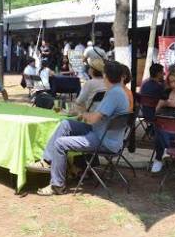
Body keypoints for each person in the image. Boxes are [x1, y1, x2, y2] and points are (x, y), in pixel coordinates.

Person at [28, 61, 130, 196]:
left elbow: (93, 119)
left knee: (59, 144)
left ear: (106, 75)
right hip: (101, 133)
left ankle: (57, 185)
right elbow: (97, 117)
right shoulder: (117, 91)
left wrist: (82, 114)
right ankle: (47, 161)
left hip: (103, 140)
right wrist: (83, 115)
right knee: (66, 124)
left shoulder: (114, 94)